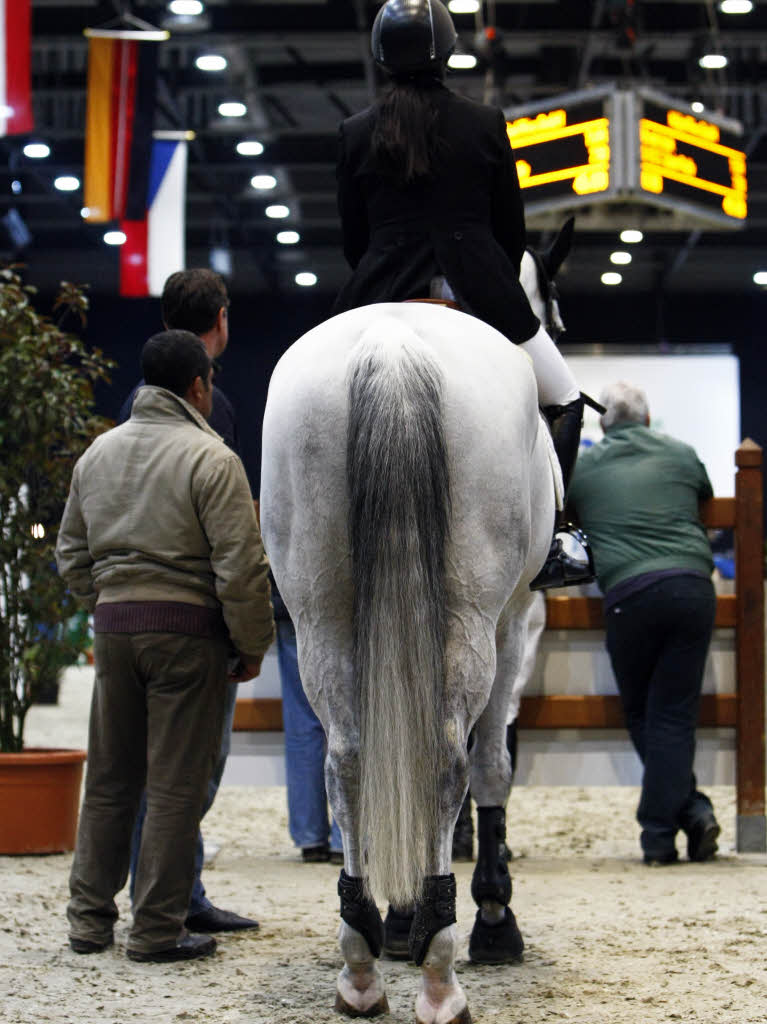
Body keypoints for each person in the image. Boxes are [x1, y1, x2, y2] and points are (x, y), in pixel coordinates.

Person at [331, 0, 592, 591]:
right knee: (567, 397)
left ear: (380, 54)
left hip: (376, 288)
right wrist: (484, 271)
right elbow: (511, 233)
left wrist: (383, 273)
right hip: (481, 288)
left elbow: (353, 239)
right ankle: (554, 540)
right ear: (448, 51)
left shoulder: (354, 132)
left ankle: (288, 554)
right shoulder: (484, 123)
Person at [56, 330, 275, 962]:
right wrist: (250, 641)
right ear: (199, 386)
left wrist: (103, 603)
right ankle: (156, 930)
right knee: (177, 786)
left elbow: (70, 554)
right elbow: (240, 567)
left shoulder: (97, 454)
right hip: (187, 636)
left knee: (110, 780)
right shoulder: (213, 460)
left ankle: (88, 924)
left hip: (115, 629)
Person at [119, 269, 256, 934]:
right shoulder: (209, 409)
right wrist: (244, 632)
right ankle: (175, 898)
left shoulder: (135, 404)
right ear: (220, 320)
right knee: (191, 771)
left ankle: (158, 892)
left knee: (147, 770)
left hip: (128, 610)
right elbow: (227, 534)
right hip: (192, 612)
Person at [567, 381, 720, 865]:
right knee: (674, 713)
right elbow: (706, 499)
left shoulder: (584, 468)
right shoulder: (681, 452)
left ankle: (658, 835)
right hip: (692, 588)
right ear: (649, 420)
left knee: (642, 713)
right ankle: (692, 810)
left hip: (629, 597)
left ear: (601, 425)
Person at [273, 580, 343, 862]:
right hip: (348, 599)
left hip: (290, 597)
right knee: (350, 716)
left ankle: (310, 836)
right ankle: (346, 836)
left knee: (302, 719)